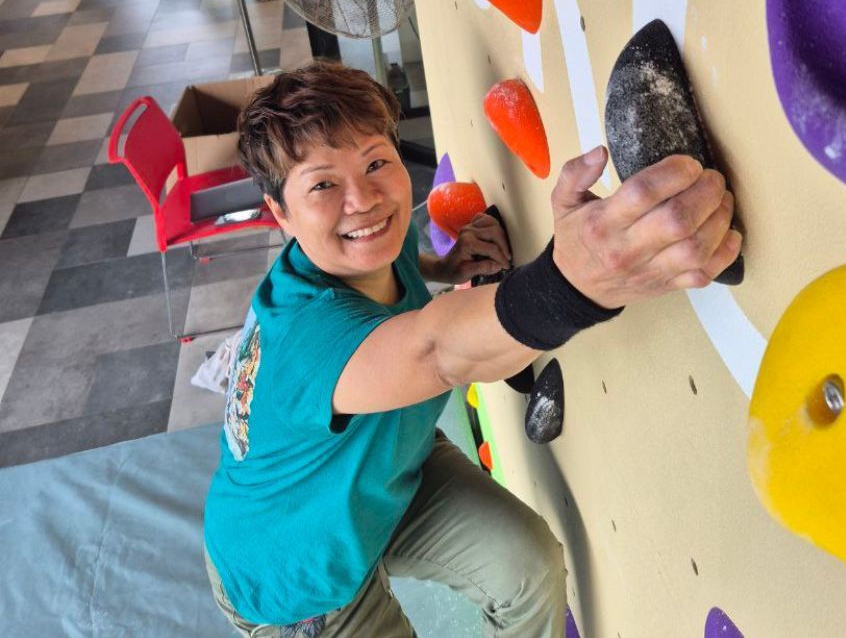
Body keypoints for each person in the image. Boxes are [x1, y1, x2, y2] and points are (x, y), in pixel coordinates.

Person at [202, 60, 741, 638]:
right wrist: (571, 283)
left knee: (526, 570)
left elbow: (399, 270)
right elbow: (436, 351)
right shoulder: (310, 338)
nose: (362, 199)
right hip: (296, 578)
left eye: (376, 161)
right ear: (280, 212)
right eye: (323, 184)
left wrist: (446, 264)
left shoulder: (364, 242)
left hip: (384, 469)